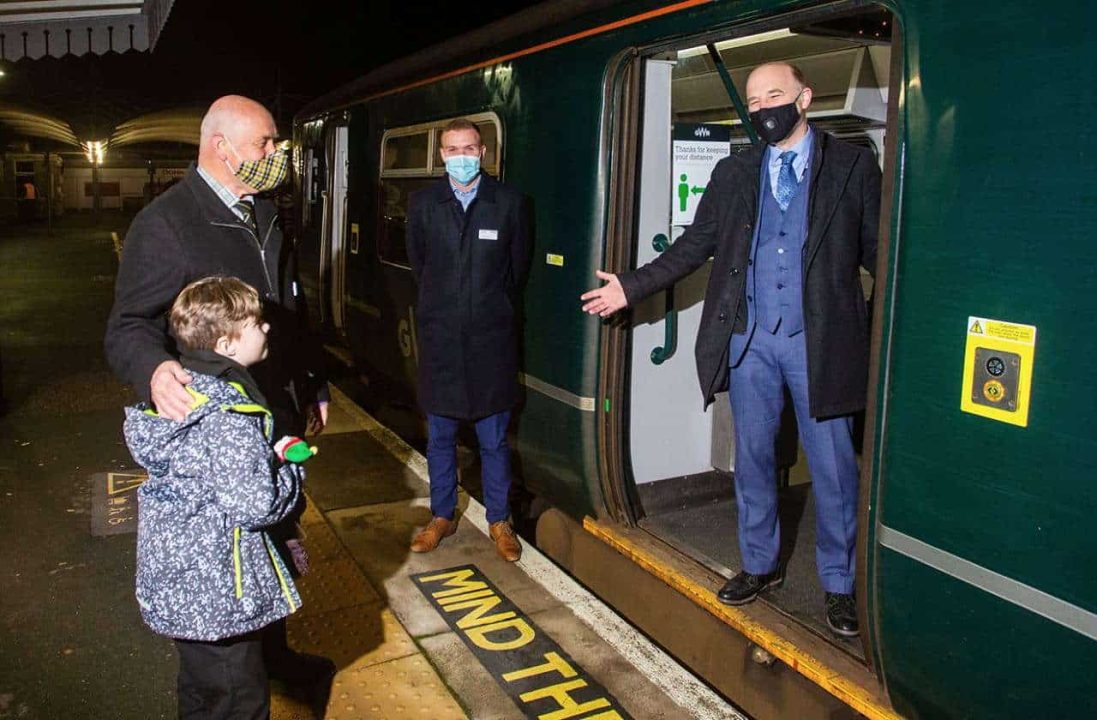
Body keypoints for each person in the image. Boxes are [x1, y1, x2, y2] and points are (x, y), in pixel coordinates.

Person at [581, 62, 880, 638]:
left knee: (835, 469)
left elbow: (879, 253)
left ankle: (840, 584)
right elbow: (695, 245)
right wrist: (630, 286)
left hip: (819, 342)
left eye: (775, 95)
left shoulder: (851, 165)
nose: (763, 106)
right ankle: (759, 564)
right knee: (754, 461)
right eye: (754, 98)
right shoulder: (735, 170)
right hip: (749, 342)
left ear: (805, 98)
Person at [104, 95, 332, 683]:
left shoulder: (266, 211)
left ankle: (273, 656)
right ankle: (231, 674)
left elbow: (289, 310)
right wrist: (153, 369)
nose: (276, 154)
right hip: (220, 425)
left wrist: (314, 383)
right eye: (265, 143)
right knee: (229, 552)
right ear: (221, 147)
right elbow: (129, 324)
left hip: (272, 406)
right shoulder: (167, 222)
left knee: (275, 534)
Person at [123, 277, 310, 719]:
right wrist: (291, 471)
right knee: (238, 698)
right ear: (226, 343)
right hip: (221, 589)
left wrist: (267, 452)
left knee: (202, 692)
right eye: (256, 324)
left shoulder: (187, 393)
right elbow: (254, 505)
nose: (266, 329)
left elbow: (209, 469)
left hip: (184, 579)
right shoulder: (229, 413)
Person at [406, 118, 532, 562]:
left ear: (483, 152)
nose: (461, 156)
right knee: (439, 437)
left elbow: (517, 270)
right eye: (452, 149)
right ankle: (442, 515)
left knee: (494, 440)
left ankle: (499, 520)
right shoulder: (424, 205)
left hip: (491, 342)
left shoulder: (510, 203)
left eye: (469, 148)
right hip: (440, 341)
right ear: (441, 155)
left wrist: (486, 307)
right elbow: (420, 267)